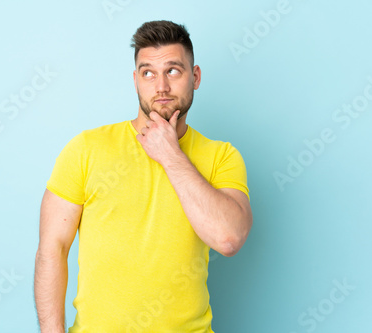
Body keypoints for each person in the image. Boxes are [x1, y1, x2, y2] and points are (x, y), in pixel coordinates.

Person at [34, 20, 253, 333]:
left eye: (173, 71)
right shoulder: (86, 148)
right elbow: (52, 248)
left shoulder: (222, 157)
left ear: (196, 77)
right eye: (148, 73)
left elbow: (228, 238)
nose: (160, 86)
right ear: (135, 80)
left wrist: (171, 155)